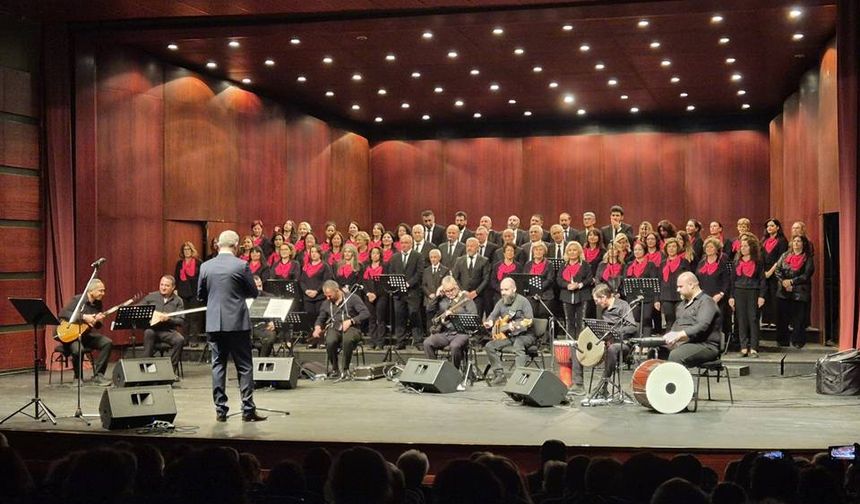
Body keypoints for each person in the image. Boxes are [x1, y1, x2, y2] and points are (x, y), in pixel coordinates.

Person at [197, 229, 264, 422]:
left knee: (218, 365)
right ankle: (248, 410)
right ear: (236, 246)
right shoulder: (241, 265)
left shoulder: (206, 266)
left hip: (214, 323)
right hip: (236, 322)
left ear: (218, 245)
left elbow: (201, 295)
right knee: (244, 366)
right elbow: (253, 292)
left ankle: (220, 411)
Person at [569, 283, 637, 396]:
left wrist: (615, 331)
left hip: (622, 343)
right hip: (606, 341)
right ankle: (578, 384)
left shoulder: (622, 305)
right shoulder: (603, 310)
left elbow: (632, 327)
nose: (596, 303)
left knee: (612, 349)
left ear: (604, 297)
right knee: (576, 346)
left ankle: (602, 386)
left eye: (597, 300)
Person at [57, 278, 114, 385]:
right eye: (100, 290)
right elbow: (63, 313)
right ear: (91, 291)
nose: (103, 293)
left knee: (107, 342)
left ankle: (98, 375)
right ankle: (78, 378)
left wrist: (97, 320)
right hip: (72, 335)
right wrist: (84, 317)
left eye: (103, 290)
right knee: (78, 349)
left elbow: (97, 326)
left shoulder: (98, 304)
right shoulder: (78, 300)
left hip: (85, 335)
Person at [311, 280, 370, 380]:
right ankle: (335, 368)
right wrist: (317, 327)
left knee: (347, 340)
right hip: (335, 327)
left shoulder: (352, 298)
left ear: (337, 291)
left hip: (352, 328)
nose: (328, 298)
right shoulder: (326, 303)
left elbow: (365, 313)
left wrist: (351, 321)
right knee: (330, 341)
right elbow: (321, 318)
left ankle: (345, 369)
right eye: (326, 296)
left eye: (330, 295)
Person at [663, 272, 722, 367]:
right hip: (686, 343)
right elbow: (677, 324)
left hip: (705, 345)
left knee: (676, 355)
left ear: (691, 285)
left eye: (680, 286)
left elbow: (702, 325)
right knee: (657, 352)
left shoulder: (707, 301)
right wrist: (668, 337)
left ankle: (677, 382)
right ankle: (659, 381)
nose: (678, 290)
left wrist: (679, 335)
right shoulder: (682, 305)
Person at [483, 277, 535, 386]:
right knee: (489, 346)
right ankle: (499, 375)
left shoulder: (523, 301)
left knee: (518, 343)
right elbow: (492, 315)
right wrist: (489, 322)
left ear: (514, 289)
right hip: (508, 336)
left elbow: (529, 320)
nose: (503, 293)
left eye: (506, 290)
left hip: (525, 335)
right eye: (502, 290)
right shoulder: (501, 302)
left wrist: (517, 326)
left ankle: (519, 377)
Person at [423, 276, 477, 370]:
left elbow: (473, 316)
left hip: (461, 333)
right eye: (447, 291)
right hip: (445, 332)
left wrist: (454, 315)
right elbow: (429, 309)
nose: (450, 293)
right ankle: (434, 370)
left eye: (452, 290)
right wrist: (438, 296)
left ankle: (454, 371)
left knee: (454, 346)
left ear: (457, 287)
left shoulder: (465, 298)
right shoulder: (442, 299)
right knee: (427, 343)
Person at [775, 235, 815, 348]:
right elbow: (778, 270)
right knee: (782, 317)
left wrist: (792, 282)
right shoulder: (785, 255)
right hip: (783, 290)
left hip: (799, 291)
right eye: (794, 241)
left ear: (803, 244)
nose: (796, 243)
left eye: (799, 241)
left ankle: (798, 341)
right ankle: (782, 340)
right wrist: (784, 282)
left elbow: (806, 275)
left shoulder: (807, 257)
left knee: (799, 318)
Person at [141, 275, 186, 374]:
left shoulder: (178, 300)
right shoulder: (151, 297)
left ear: (173, 287)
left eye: (166, 285)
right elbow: (138, 310)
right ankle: (146, 370)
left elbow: (181, 321)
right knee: (148, 332)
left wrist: (169, 319)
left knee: (180, 339)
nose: (163, 287)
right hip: (152, 329)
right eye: (161, 285)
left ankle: (170, 371)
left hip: (168, 331)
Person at [729, 234, 766, 357]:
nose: (743, 248)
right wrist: (731, 296)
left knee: (753, 319)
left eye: (746, 246)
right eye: (742, 246)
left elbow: (762, 280)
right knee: (741, 320)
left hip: (753, 291)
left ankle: (754, 347)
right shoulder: (736, 261)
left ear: (752, 247)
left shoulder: (758, 261)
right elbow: (732, 280)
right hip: (739, 291)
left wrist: (762, 296)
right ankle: (743, 347)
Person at [389, 235, 425, 349]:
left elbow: (419, 273)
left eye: (406, 243)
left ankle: (418, 341)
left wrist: (409, 283)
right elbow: (391, 272)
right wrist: (398, 285)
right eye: (402, 242)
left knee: (414, 315)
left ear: (411, 244)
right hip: (399, 293)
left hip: (412, 292)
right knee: (399, 316)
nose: (404, 245)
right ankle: (400, 341)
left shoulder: (418, 256)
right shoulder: (395, 257)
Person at [557, 241, 592, 338]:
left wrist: (579, 285)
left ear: (579, 252)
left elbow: (589, 279)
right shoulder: (563, 265)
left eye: (574, 250)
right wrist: (567, 285)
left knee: (581, 321)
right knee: (569, 321)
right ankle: (570, 343)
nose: (572, 252)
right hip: (566, 296)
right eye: (570, 250)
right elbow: (559, 279)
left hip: (582, 296)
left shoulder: (585, 265)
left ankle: (581, 344)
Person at [451, 237, 491, 317]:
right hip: (462, 296)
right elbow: (455, 277)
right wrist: (463, 291)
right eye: (467, 246)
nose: (469, 248)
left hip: (478, 297)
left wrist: (476, 292)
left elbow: (486, 279)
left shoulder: (484, 260)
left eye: (472, 246)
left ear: (477, 247)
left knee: (476, 319)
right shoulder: (459, 260)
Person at [174, 241, 203, 340]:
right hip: (183, 292)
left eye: (188, 249)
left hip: (195, 292)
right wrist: (176, 289)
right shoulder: (179, 263)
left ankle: (194, 339)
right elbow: (176, 277)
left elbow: (201, 278)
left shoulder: (199, 263)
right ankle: (185, 339)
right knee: (185, 316)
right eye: (185, 250)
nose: (186, 251)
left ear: (192, 250)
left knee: (194, 316)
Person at [250, 275, 278, 357]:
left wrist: (274, 322)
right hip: (247, 327)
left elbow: (277, 313)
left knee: (271, 336)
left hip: (263, 326)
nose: (259, 289)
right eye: (256, 286)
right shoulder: (243, 297)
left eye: (260, 286)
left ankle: (262, 360)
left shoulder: (270, 297)